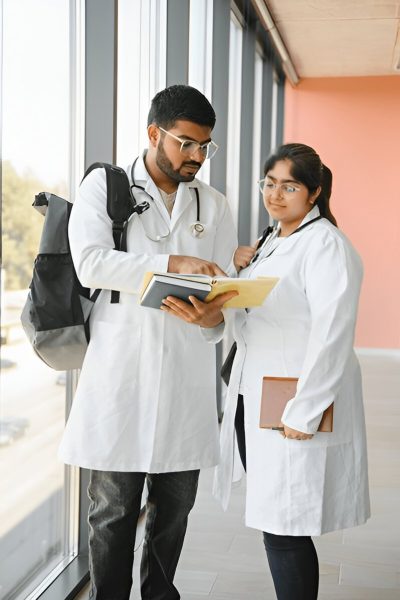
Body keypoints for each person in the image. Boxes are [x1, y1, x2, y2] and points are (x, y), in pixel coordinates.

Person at [161, 143, 371, 599]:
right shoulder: (272, 240)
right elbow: (259, 317)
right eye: (269, 184)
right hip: (255, 394)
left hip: (292, 400)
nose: (275, 195)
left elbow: (333, 334)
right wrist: (214, 313)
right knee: (277, 518)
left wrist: (305, 412)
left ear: (313, 193)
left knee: (285, 525)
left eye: (289, 186)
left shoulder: (327, 246)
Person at [58, 84, 238, 600]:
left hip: (185, 380)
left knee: (174, 512)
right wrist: (171, 263)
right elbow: (91, 262)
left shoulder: (214, 204)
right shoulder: (106, 187)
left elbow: (220, 289)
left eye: (206, 146)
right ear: (154, 133)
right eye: (186, 143)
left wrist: (211, 318)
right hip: (121, 376)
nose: (197, 157)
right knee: (113, 513)